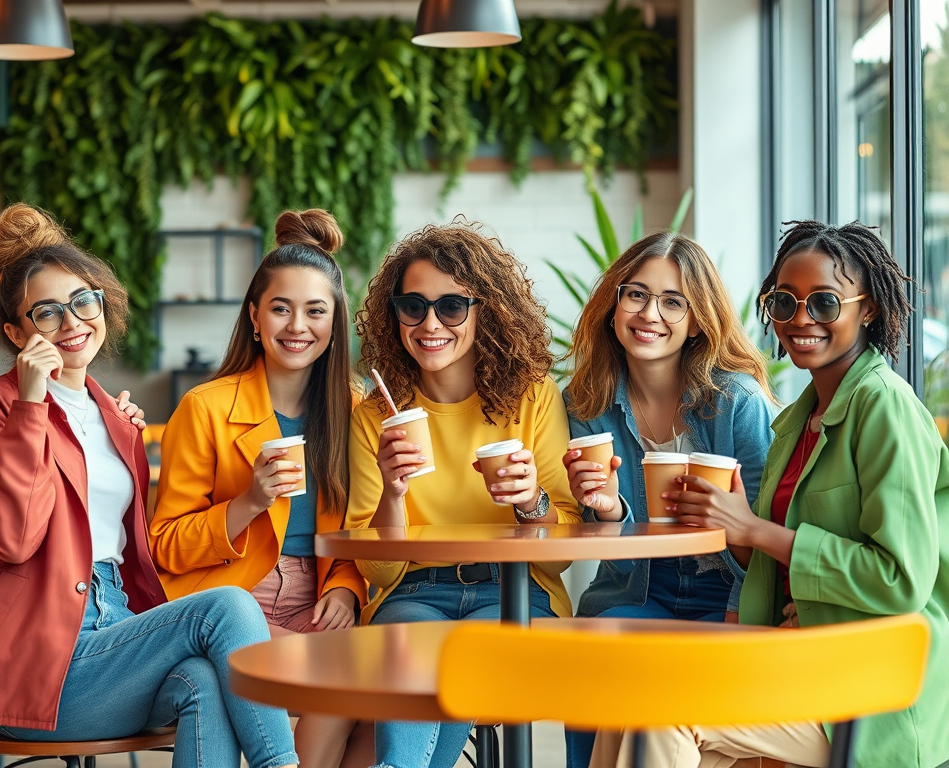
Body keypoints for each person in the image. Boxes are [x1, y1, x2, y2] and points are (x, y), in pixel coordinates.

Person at [0, 203, 297, 768]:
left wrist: (121, 440)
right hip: (36, 665)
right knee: (227, 608)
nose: (73, 322)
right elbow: (11, 539)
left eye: (83, 302)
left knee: (206, 679)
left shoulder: (113, 418)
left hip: (114, 634)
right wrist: (30, 405)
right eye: (47, 313)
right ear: (15, 332)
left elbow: (129, 545)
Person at [592, 220, 949, 768]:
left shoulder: (885, 408)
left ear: (868, 309)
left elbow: (900, 580)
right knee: (631, 695)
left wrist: (753, 529)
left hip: (871, 687)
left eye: (825, 303)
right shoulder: (798, 421)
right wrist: (735, 533)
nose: (801, 319)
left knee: (662, 708)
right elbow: (767, 560)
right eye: (784, 302)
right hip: (803, 658)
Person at [346, 218, 583, 768]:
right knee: (418, 658)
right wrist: (394, 493)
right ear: (394, 314)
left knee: (459, 661)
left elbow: (564, 549)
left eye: (451, 307)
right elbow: (377, 572)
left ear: (485, 313)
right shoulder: (376, 417)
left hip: (516, 594)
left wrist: (531, 502)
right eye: (413, 306)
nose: (431, 323)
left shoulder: (532, 397)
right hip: (412, 595)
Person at [149, 209, 371, 768]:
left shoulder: (354, 408)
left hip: (319, 603)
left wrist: (345, 587)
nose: (297, 326)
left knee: (384, 693)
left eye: (315, 311)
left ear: (335, 322)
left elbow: (357, 523)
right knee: (344, 677)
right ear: (254, 316)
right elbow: (165, 546)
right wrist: (249, 502)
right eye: (280, 308)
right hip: (232, 601)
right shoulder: (205, 408)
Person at [562, 231, 777, 767]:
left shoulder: (736, 403)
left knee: (664, 692)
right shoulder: (586, 402)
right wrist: (610, 510)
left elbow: (760, 527)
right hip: (639, 589)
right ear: (613, 304)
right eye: (635, 294)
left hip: (723, 593)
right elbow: (594, 538)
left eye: (672, 301)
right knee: (588, 660)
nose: (649, 313)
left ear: (698, 318)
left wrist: (736, 613)